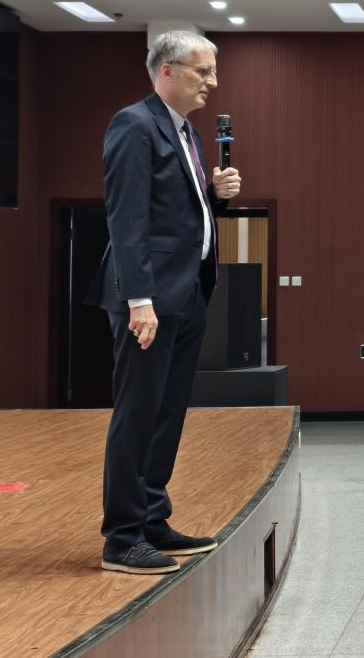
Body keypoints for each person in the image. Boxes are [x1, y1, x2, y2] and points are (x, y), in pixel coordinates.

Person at [85, 31, 242, 575]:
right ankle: (121, 537)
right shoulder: (134, 124)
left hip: (188, 292)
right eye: (203, 71)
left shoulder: (188, 133)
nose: (213, 82)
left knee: (167, 413)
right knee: (138, 414)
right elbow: (127, 218)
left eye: (214, 71)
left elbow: (179, 215)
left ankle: (151, 518)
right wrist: (139, 299)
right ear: (167, 71)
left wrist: (216, 197)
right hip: (148, 298)